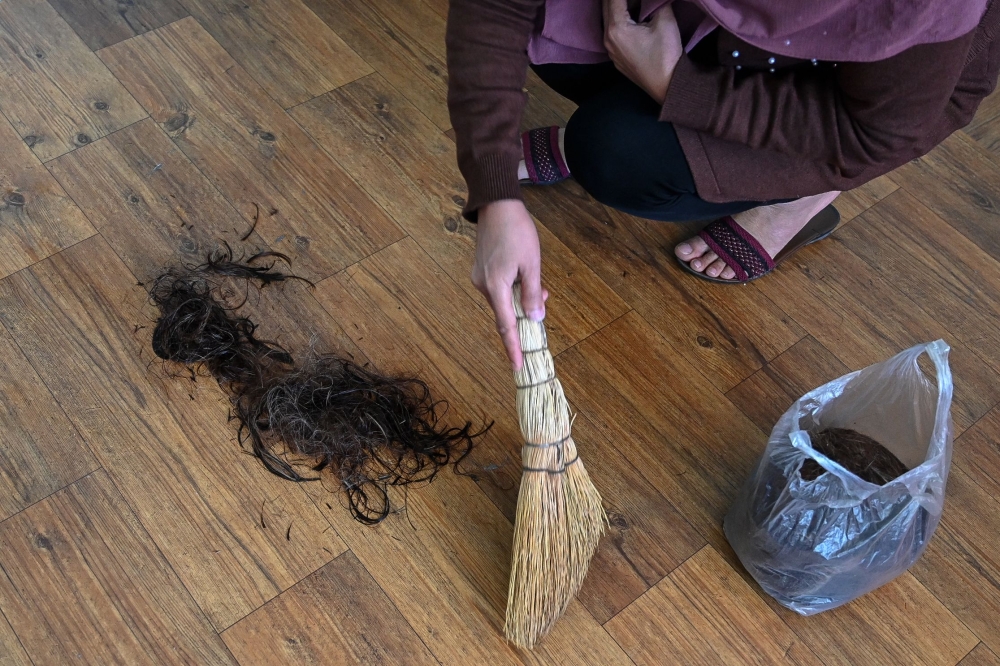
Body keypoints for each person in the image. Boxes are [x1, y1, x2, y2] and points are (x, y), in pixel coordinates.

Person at [445, 0, 1000, 370]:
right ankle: (655, 98)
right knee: (560, 16)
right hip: (717, 37)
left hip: (855, 107)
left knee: (614, 153)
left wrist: (678, 88)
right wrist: (495, 195)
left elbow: (874, 132)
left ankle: (802, 194)